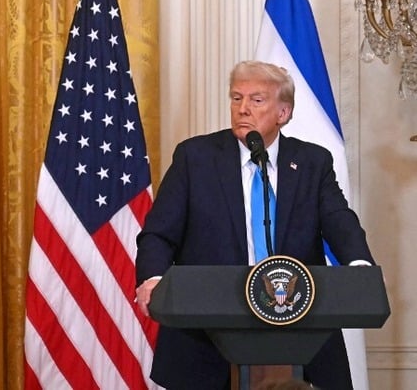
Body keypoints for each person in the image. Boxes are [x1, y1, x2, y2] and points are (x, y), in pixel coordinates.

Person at [134, 61, 375, 390]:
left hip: (299, 329)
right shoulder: (196, 157)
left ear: (283, 112)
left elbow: (339, 221)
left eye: (256, 100)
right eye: (236, 98)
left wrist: (360, 266)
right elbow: (159, 233)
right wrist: (152, 278)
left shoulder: (312, 162)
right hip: (205, 335)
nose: (243, 108)